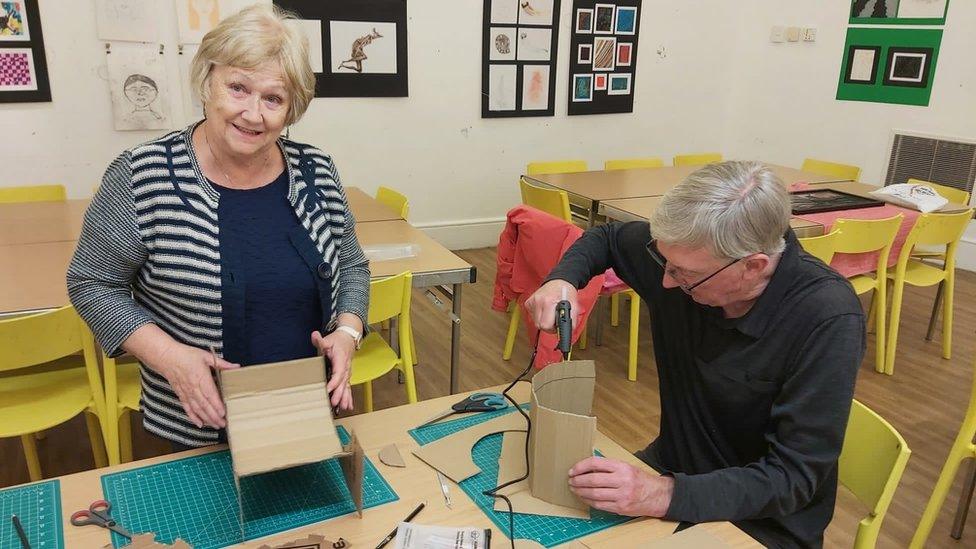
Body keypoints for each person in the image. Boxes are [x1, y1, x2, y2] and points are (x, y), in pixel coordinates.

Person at [67, 5, 370, 450]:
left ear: (291, 110)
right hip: (195, 428)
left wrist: (347, 331)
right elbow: (92, 283)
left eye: (273, 99)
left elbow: (353, 265)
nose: (253, 113)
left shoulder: (317, 170)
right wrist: (170, 358)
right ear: (207, 82)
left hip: (305, 415)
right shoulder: (142, 175)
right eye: (238, 88)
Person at [524, 161, 865, 548]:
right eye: (664, 262)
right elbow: (608, 238)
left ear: (753, 266)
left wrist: (660, 494)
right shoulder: (688, 258)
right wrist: (561, 280)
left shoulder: (826, 316)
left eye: (685, 274)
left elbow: (793, 477)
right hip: (671, 470)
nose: (666, 281)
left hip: (760, 523)